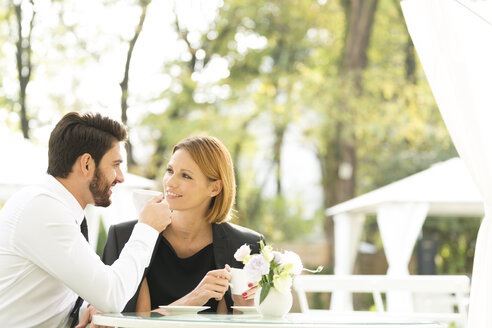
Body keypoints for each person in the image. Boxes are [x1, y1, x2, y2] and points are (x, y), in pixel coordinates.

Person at [0, 112, 172, 328]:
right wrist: (147, 228)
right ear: (87, 164)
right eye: (115, 164)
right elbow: (113, 296)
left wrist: (86, 310)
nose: (120, 177)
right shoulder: (43, 209)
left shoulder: (54, 207)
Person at [102, 136, 264, 313]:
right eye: (170, 170)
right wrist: (194, 298)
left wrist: (248, 309)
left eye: (186, 176)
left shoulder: (246, 247)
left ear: (215, 188)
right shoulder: (123, 236)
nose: (170, 182)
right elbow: (117, 322)